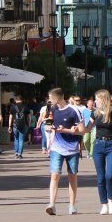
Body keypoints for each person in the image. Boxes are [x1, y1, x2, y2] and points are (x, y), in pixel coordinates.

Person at [45, 87, 86, 215]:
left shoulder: (74, 111)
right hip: (56, 147)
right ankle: (52, 204)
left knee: (72, 176)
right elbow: (49, 125)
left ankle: (72, 205)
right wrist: (49, 128)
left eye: (51, 98)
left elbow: (82, 130)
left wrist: (68, 130)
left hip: (72, 148)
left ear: (57, 98)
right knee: (55, 174)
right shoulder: (53, 109)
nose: (49, 101)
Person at [90, 90, 112, 214]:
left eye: (97, 99)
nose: (95, 101)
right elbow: (87, 128)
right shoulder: (95, 113)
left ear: (103, 99)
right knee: (100, 177)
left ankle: (111, 200)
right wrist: (73, 129)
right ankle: (103, 204)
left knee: (109, 175)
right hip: (98, 145)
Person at [8, 93, 29, 158]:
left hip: (15, 125)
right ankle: (20, 154)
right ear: (22, 100)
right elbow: (29, 116)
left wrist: (9, 126)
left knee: (16, 139)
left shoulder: (13, 107)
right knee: (21, 139)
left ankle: (16, 153)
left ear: (15, 100)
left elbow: (10, 117)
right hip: (23, 125)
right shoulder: (25, 106)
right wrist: (28, 124)